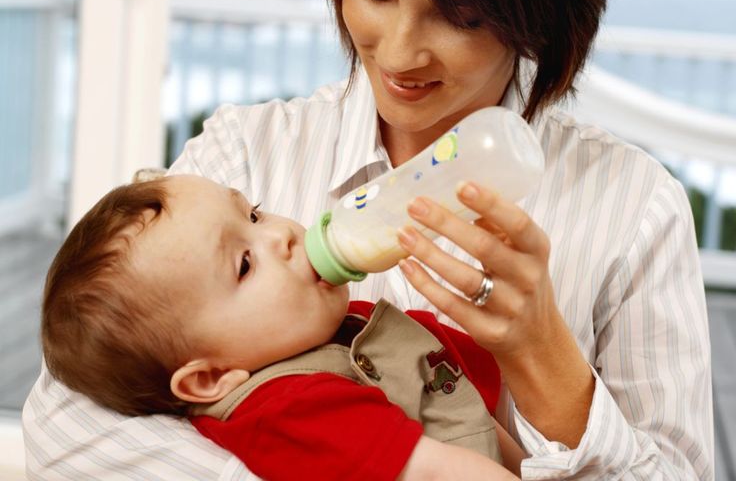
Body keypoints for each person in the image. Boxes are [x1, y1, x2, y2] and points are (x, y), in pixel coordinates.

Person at [24, 0, 713, 481]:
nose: (401, 50)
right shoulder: (247, 156)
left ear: (540, 12)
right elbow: (67, 422)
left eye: (460, 16)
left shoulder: (632, 212)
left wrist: (546, 361)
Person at [41, 174, 523, 481]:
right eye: (245, 264)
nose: (281, 234)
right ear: (210, 377)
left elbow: (475, 419)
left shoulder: (334, 332)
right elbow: (438, 473)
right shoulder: (289, 410)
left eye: (253, 212)